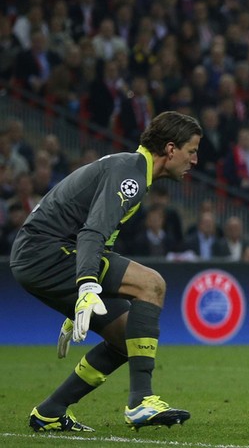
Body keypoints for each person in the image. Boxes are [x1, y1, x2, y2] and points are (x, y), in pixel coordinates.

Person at [10, 111, 202, 432]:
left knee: (127, 336)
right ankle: (141, 401)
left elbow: (100, 241)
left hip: (43, 255)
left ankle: (51, 411)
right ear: (170, 149)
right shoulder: (131, 177)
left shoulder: (130, 169)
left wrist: (84, 292)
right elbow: (92, 233)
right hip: (46, 253)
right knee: (151, 284)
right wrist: (86, 286)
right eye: (192, 150)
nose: (195, 160)